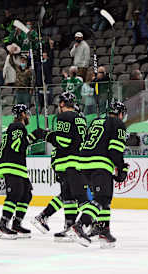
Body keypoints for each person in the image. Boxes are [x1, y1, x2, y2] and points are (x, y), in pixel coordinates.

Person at [70, 99, 129, 248]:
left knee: (102, 198)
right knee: (103, 198)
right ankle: (81, 224)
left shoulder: (96, 121)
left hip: (84, 163)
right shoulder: (118, 124)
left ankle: (103, 230)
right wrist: (121, 168)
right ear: (120, 114)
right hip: (99, 163)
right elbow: (115, 150)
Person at [32, 92, 86, 241]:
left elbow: (62, 141)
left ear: (62, 104)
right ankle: (71, 227)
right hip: (76, 160)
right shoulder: (81, 118)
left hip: (65, 161)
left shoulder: (63, 117)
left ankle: (75, 226)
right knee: (72, 196)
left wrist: (47, 135)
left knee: (72, 196)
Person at [0, 104, 46, 239]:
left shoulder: (16, 127)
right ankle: (2, 226)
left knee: (26, 194)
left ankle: (16, 224)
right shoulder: (18, 126)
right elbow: (18, 146)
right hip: (11, 164)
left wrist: (32, 137)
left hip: (17, 165)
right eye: (27, 113)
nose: (28, 116)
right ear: (22, 114)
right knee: (15, 194)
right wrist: (34, 136)